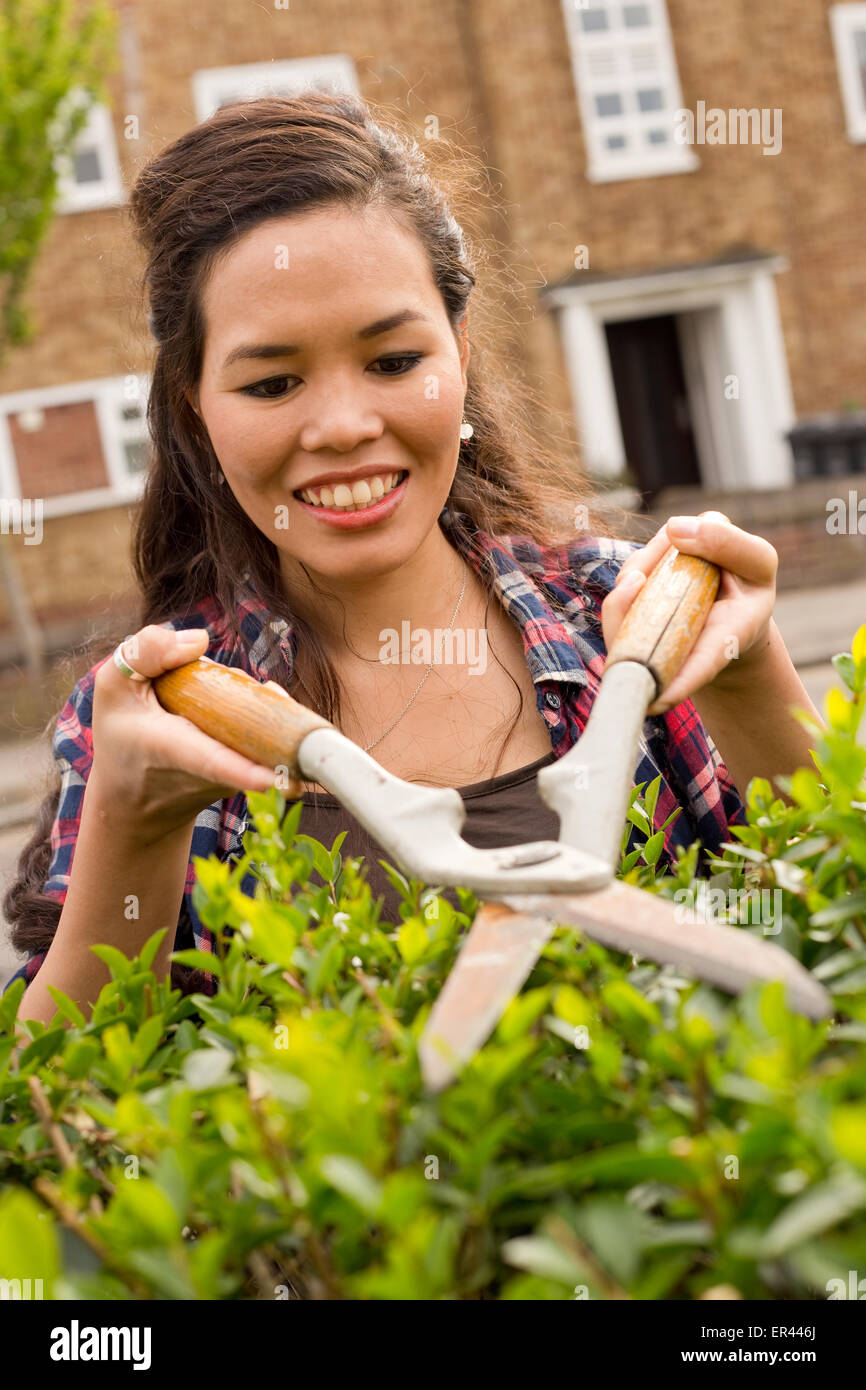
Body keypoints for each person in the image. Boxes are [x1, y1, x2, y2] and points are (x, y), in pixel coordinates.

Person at [3, 91, 821, 1025]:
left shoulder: (627, 610)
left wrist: (753, 684)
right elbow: (57, 1110)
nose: (346, 427)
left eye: (393, 362)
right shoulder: (153, 713)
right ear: (195, 406)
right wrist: (131, 824)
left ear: (460, 353)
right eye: (272, 382)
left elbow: (836, 935)